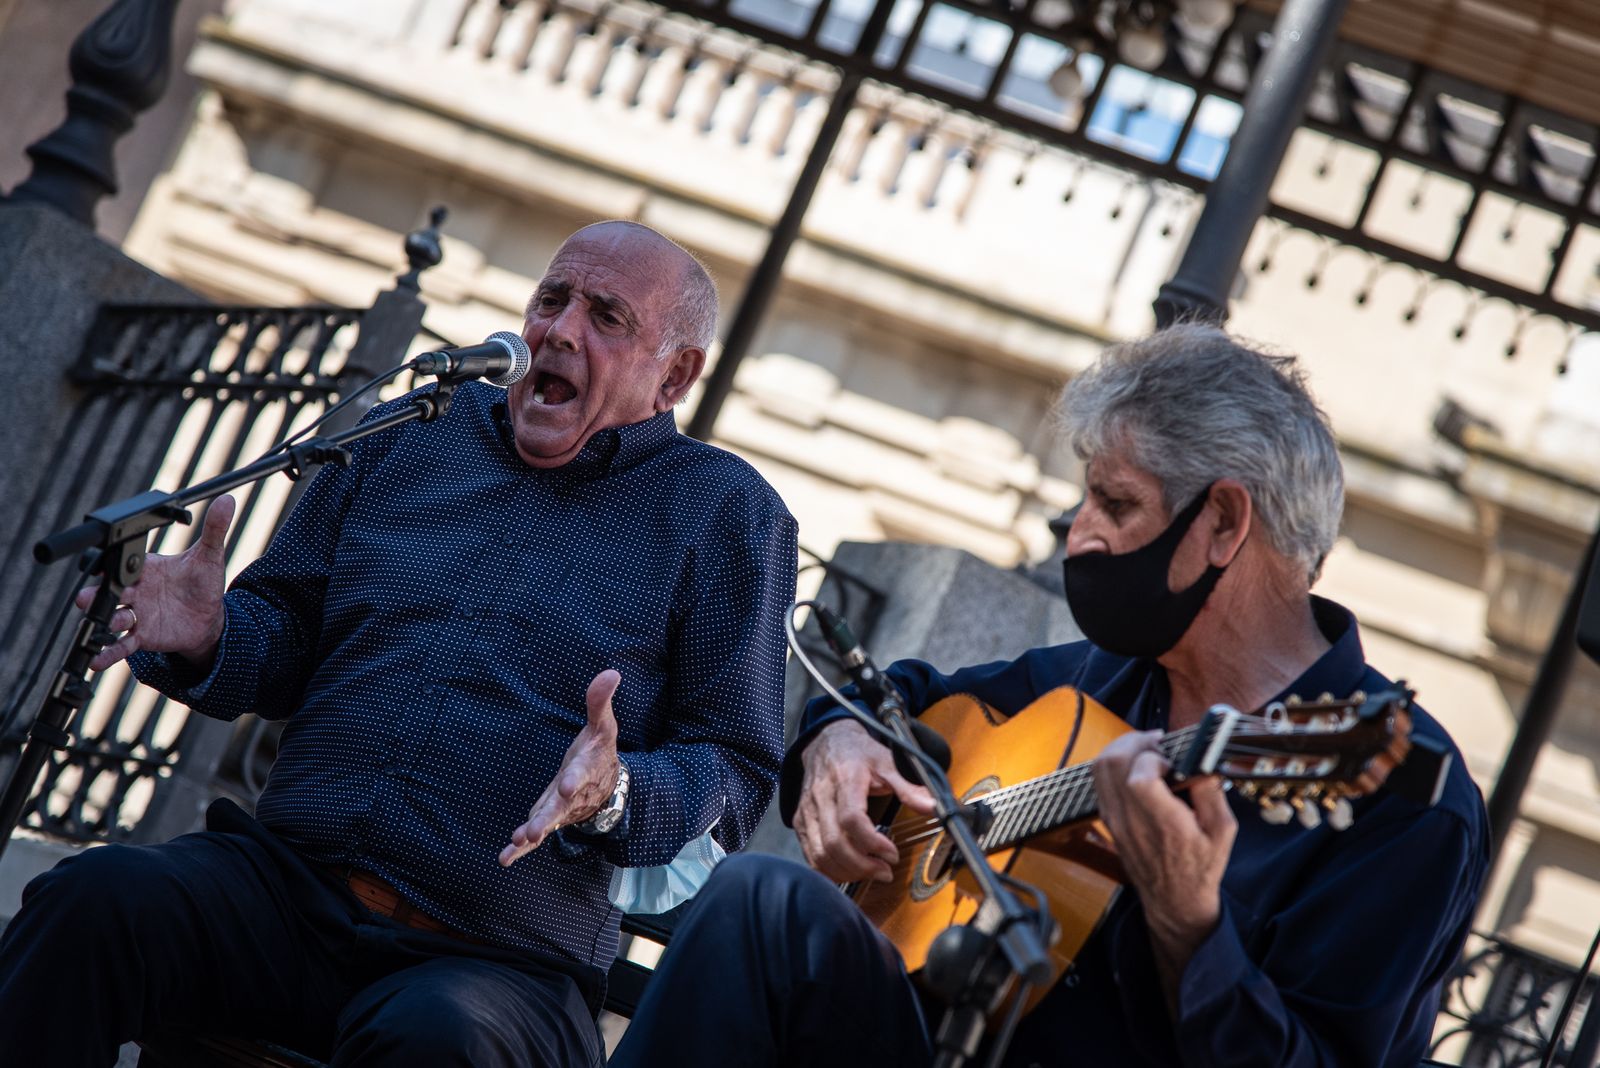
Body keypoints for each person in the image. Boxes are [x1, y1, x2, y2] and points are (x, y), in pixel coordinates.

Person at [0, 220, 798, 1067]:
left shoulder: (725, 516)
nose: (559, 330)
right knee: (91, 901)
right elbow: (285, 639)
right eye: (552, 298)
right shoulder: (414, 430)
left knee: (435, 1042)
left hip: (496, 963)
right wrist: (212, 634)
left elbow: (737, 768)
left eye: (607, 317)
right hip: (287, 891)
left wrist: (616, 791)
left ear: (674, 376)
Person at [609, 325, 1488, 1068]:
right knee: (764, 899)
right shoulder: (1099, 681)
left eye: (1116, 502)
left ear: (1223, 523)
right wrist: (840, 740)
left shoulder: (1408, 800)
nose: (1082, 533)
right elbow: (907, 699)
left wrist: (1190, 924)